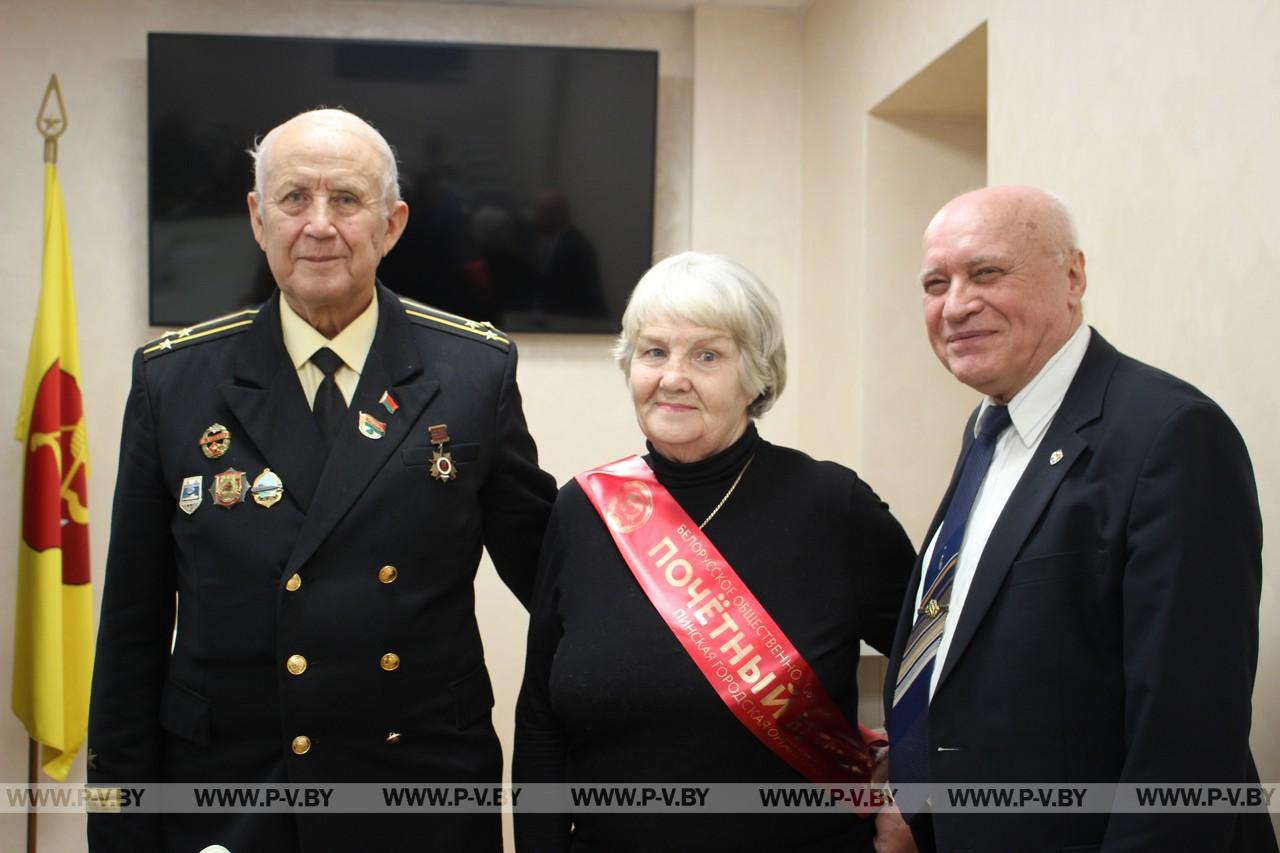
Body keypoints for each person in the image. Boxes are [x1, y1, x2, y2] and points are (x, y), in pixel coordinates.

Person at [86, 108, 557, 852]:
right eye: (294, 197)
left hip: (418, 796)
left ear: (393, 223)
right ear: (256, 216)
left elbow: (553, 580)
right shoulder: (173, 382)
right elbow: (131, 636)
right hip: (229, 795)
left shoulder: (472, 374)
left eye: (347, 199)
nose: (318, 224)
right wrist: (118, 827)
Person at [877, 186, 1276, 852]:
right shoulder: (989, 432)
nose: (955, 305)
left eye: (986, 273)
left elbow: (1187, 734)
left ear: (1073, 276)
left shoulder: (1170, 435)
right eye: (935, 282)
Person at [514, 251, 915, 851]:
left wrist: (913, 794)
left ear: (757, 376)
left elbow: (941, 673)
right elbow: (541, 719)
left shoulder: (834, 506)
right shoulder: (582, 510)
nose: (672, 376)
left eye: (707, 355)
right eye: (654, 352)